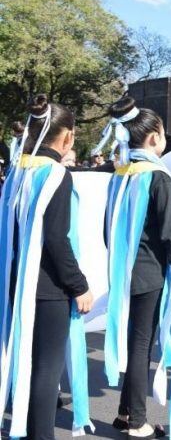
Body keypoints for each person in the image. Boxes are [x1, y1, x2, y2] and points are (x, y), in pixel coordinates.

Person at [0, 95, 94, 439]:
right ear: (67, 136)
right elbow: (57, 239)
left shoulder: (17, 171)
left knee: (22, 364)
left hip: (16, 280)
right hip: (47, 287)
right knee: (45, 370)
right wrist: (79, 284)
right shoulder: (56, 174)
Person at [102, 96, 171, 439]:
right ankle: (138, 421)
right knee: (140, 346)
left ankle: (126, 413)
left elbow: (106, 226)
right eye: (163, 132)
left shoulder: (120, 173)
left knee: (134, 342)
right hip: (149, 272)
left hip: (124, 269)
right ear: (154, 136)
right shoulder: (157, 176)